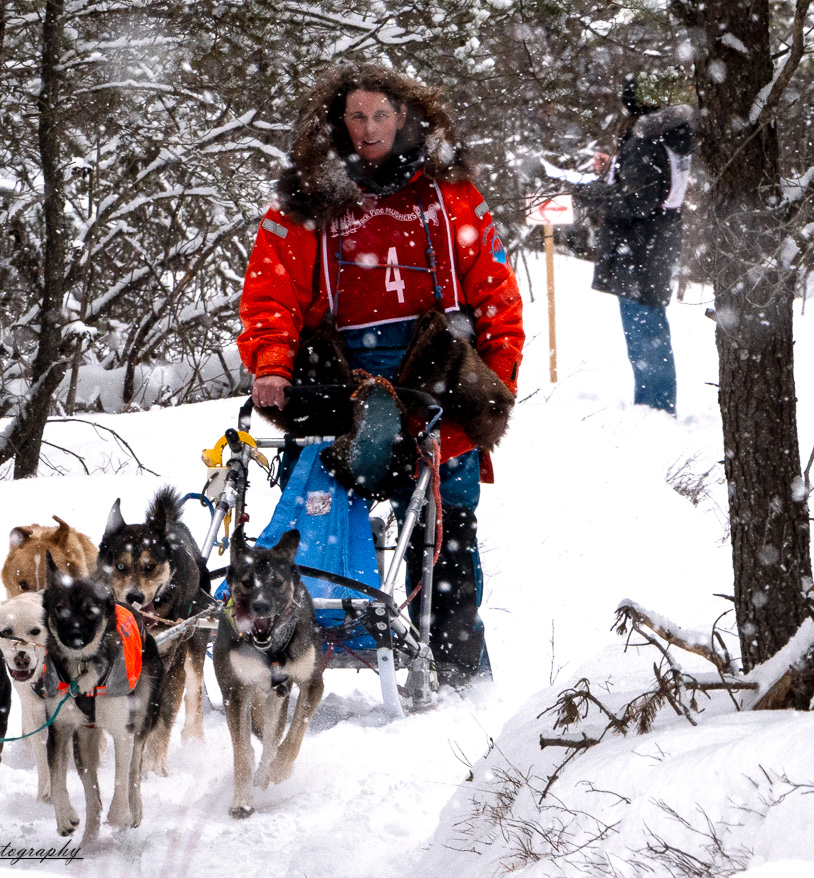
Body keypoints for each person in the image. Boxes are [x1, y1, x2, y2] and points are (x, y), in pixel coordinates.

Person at [237, 63, 524, 687]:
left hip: (438, 374)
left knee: (448, 523)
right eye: (357, 117)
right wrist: (271, 364)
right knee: (324, 502)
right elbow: (270, 296)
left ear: (405, 119)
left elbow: (497, 293)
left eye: (382, 117)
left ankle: (456, 662)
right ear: (339, 123)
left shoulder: (452, 195)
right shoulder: (305, 201)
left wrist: (494, 384)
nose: (369, 130)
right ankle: (297, 642)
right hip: (339, 379)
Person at [575, 75, 694, 414]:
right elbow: (653, 186)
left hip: (639, 248)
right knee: (649, 327)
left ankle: (655, 409)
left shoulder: (646, 139)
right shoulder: (670, 132)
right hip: (657, 241)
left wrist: (588, 192)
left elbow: (636, 200)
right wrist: (616, 169)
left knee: (644, 333)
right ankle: (657, 404)